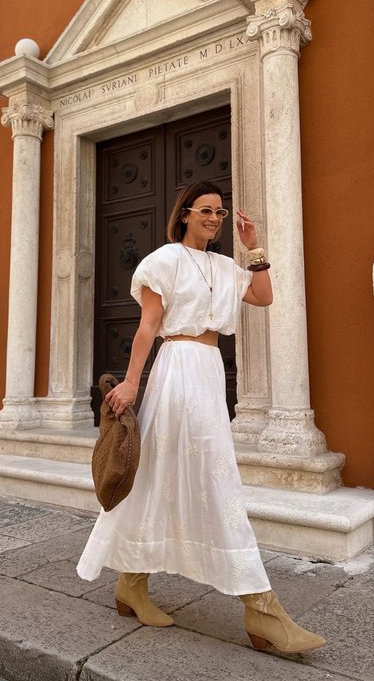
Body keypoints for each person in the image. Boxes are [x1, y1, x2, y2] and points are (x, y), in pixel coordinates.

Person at [77, 181, 325, 654]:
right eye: (206, 210)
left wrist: (254, 248)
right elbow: (148, 325)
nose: (214, 218)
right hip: (176, 370)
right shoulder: (165, 260)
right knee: (209, 477)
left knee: (164, 475)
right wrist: (132, 382)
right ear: (185, 214)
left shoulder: (226, 266)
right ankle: (261, 607)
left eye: (220, 212)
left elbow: (264, 297)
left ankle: (131, 583)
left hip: (209, 372)